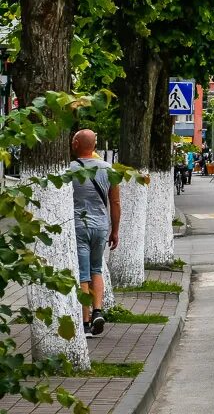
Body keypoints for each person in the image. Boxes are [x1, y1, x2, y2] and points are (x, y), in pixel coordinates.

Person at [71, 129, 121, 337]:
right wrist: (115, 231)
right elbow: (115, 202)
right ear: (94, 146)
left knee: (82, 274)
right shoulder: (108, 169)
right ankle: (98, 310)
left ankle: (85, 322)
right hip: (101, 227)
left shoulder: (68, 170)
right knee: (96, 269)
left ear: (75, 144)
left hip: (78, 226)